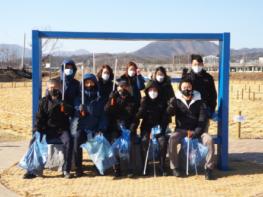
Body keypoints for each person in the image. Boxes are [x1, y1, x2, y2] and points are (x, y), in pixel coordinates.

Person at [23, 78, 73, 179]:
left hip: (61, 130)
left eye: (55, 88)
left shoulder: (65, 99)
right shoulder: (44, 101)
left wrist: (66, 107)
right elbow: (39, 117)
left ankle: (66, 170)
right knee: (34, 140)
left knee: (69, 141)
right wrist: (37, 129)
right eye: (50, 88)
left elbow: (71, 112)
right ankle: (32, 170)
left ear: (59, 88)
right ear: (47, 88)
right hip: (47, 129)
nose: (52, 90)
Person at [167, 78, 215, 180]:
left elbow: (202, 119)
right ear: (180, 88)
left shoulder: (200, 102)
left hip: (198, 130)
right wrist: (170, 106)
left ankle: (209, 168)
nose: (187, 89)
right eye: (184, 87)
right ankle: (174, 167)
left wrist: (196, 132)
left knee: (209, 140)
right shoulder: (177, 100)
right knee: (172, 138)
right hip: (181, 130)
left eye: (189, 87)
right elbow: (170, 113)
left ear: (192, 88)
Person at [71, 73, 107, 177]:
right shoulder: (78, 99)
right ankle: (78, 168)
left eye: (91, 82)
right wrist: (79, 110)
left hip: (95, 128)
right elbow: (74, 114)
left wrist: (101, 128)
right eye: (87, 82)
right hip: (82, 127)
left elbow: (103, 116)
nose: (89, 84)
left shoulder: (100, 99)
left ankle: (98, 166)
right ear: (83, 84)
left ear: (95, 84)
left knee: (99, 140)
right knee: (77, 139)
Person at [130, 80, 168, 176]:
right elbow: (138, 116)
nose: (153, 92)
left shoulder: (162, 101)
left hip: (159, 128)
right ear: (147, 91)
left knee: (163, 142)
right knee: (144, 141)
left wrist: (161, 130)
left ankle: (162, 165)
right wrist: (142, 108)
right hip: (146, 128)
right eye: (151, 90)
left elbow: (165, 118)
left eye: (155, 90)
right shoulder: (144, 100)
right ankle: (144, 165)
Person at [104, 79, 137, 177]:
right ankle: (117, 168)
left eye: (124, 86)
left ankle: (129, 168)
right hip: (115, 127)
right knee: (114, 144)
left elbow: (134, 116)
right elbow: (106, 110)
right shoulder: (114, 98)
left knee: (129, 144)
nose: (122, 89)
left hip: (127, 127)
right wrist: (111, 100)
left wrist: (132, 128)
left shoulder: (132, 99)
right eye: (120, 87)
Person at [182, 54, 217, 118]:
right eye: (195, 64)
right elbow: (182, 90)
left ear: (202, 64)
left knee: (203, 127)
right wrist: (183, 78)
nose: (197, 66)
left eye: (199, 64)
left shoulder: (208, 77)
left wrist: (212, 108)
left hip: (205, 108)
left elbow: (213, 94)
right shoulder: (187, 77)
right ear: (191, 65)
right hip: (190, 109)